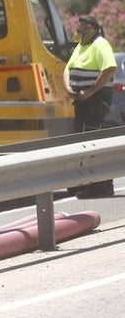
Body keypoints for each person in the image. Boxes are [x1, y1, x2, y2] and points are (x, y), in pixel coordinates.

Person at [64, 14, 117, 198]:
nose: (79, 30)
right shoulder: (81, 46)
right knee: (81, 142)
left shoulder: (100, 44)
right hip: (82, 102)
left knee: (94, 141)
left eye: (83, 27)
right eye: (78, 27)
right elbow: (67, 69)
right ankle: (84, 182)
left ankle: (102, 186)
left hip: (95, 102)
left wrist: (90, 91)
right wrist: (69, 88)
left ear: (92, 28)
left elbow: (110, 69)